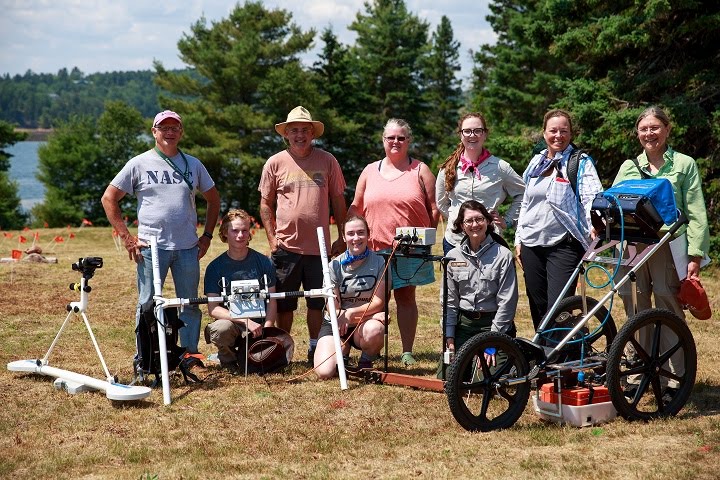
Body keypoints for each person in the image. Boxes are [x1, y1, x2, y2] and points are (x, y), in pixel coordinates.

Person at [102, 110, 220, 361]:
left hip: (188, 247)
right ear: (154, 132)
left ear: (181, 132)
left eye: (174, 127)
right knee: (147, 302)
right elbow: (109, 198)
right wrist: (127, 238)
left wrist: (207, 236)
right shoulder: (138, 163)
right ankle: (145, 355)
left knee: (189, 303)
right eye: (163, 127)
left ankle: (190, 355)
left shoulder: (194, 164)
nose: (169, 132)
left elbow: (213, 199)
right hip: (150, 249)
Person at [612, 106, 710, 398]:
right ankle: (638, 370)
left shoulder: (684, 164)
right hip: (633, 245)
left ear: (667, 130)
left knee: (667, 306)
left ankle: (674, 380)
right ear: (638, 133)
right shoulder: (629, 166)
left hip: (668, 243)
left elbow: (696, 212)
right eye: (644, 129)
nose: (649, 133)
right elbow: (613, 204)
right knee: (635, 306)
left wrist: (695, 256)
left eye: (655, 127)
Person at [259, 106, 348, 364]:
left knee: (317, 302)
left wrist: (341, 236)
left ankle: (314, 347)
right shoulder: (274, 162)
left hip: (319, 249)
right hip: (286, 247)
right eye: (294, 130)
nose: (300, 135)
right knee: (284, 303)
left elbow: (338, 200)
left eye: (304, 130)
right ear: (286, 134)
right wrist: (272, 238)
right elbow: (265, 203)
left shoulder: (328, 160)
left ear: (313, 133)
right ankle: (283, 348)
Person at [348, 118, 440, 366]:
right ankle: (373, 346)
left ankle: (407, 350)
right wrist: (348, 236)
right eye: (391, 137)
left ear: (408, 141)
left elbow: (434, 209)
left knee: (406, 298)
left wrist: (426, 239)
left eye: (401, 137)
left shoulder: (421, 170)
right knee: (375, 300)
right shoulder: (369, 171)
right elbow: (356, 207)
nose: (395, 142)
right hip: (375, 248)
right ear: (383, 140)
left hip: (410, 248)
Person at [514, 109, 602, 330]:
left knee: (559, 308)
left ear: (571, 134)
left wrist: (595, 225)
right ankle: (544, 357)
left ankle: (561, 358)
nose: (558, 136)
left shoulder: (579, 162)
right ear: (544, 133)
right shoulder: (536, 162)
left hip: (564, 245)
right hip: (531, 243)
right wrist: (518, 239)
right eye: (553, 131)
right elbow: (526, 202)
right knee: (538, 305)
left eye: (564, 131)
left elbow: (592, 197)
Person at [436, 113, 525, 255]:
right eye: (467, 131)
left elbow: (523, 193)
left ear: (485, 134)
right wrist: (457, 219)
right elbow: (441, 203)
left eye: (478, 130)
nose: (472, 135)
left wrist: (507, 221)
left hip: (489, 240)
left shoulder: (500, 167)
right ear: (461, 134)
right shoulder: (448, 168)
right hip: (455, 242)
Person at [203, 209, 278, 375]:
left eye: (244, 230)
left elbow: (272, 300)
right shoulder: (215, 267)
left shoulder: (264, 262)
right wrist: (245, 321)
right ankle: (228, 359)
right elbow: (213, 308)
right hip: (233, 324)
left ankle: (248, 354)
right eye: (235, 230)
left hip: (259, 324)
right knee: (220, 329)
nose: (240, 235)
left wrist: (268, 328)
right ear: (225, 233)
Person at [314, 215, 386, 379]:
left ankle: (366, 360)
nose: (356, 238)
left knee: (375, 330)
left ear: (368, 235)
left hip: (363, 322)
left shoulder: (379, 262)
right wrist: (347, 316)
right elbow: (334, 307)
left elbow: (378, 302)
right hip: (336, 321)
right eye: (351, 233)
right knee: (324, 372)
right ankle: (342, 352)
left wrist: (351, 314)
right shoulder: (333, 266)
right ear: (344, 237)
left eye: (361, 233)